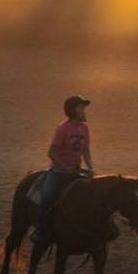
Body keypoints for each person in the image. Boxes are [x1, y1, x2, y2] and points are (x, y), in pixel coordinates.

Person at [31, 95, 94, 245]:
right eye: (81, 108)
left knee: (93, 194)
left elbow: (86, 151)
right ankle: (40, 230)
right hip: (59, 172)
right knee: (47, 197)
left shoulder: (85, 128)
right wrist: (66, 168)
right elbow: (52, 152)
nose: (84, 110)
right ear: (72, 110)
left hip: (76, 170)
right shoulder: (62, 129)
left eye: (83, 108)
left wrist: (90, 168)